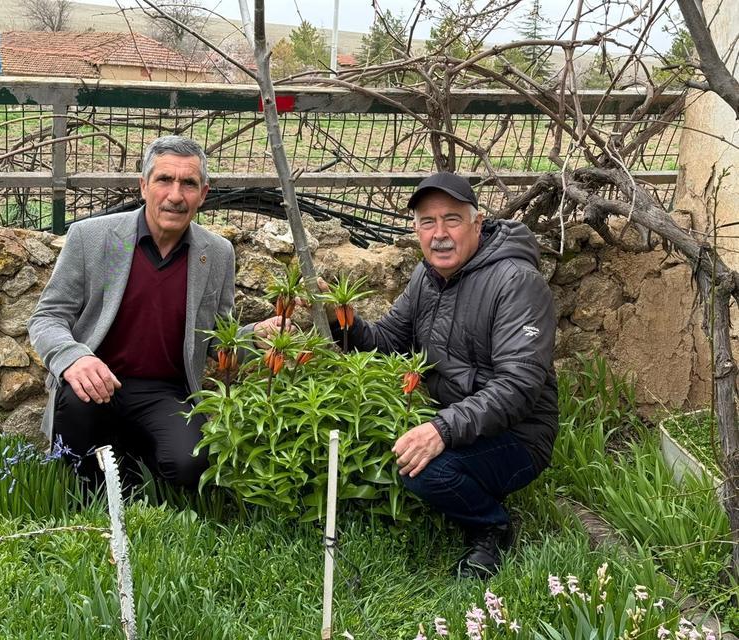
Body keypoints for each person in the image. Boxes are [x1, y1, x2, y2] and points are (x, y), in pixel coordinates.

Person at [325, 172, 558, 578]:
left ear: (477, 222)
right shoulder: (427, 277)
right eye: (428, 222)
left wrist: (441, 431)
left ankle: (492, 526)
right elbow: (385, 342)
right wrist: (338, 317)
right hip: (454, 420)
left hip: (518, 436)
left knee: (426, 470)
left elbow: (517, 386)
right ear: (416, 229)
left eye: (452, 219)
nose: (440, 235)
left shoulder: (517, 282)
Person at [28, 135, 279, 492]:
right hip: (100, 380)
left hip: (166, 393)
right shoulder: (95, 238)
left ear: (203, 194)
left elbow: (217, 339)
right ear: (144, 185)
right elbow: (48, 316)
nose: (175, 195)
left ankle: (135, 474)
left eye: (188, 183)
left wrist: (255, 337)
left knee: (190, 466)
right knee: (80, 412)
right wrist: (73, 358)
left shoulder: (216, 253)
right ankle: (91, 496)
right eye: (164, 180)